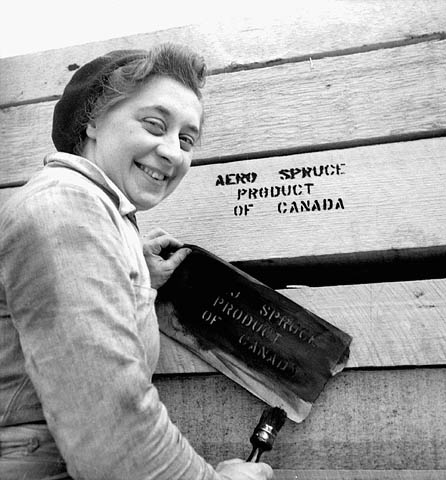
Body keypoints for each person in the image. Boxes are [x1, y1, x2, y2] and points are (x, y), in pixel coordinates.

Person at [0, 43, 274, 480]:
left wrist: (136, 279)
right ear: (92, 119)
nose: (173, 153)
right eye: (154, 124)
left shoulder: (99, 215)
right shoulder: (65, 206)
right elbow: (111, 431)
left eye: (187, 139)